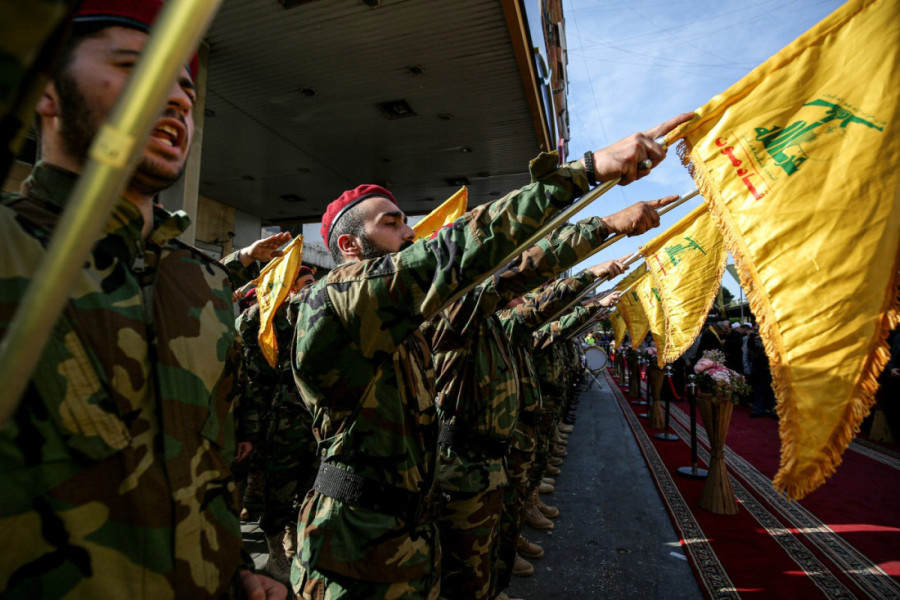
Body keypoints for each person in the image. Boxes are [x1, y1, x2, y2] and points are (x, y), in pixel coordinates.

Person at [287, 112, 693, 599]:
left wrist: (601, 231)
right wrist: (585, 172)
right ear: (350, 246)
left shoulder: (400, 318)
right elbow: (457, 255)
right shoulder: (335, 300)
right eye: (392, 224)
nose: (410, 234)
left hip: (407, 533)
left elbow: (510, 276)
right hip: (352, 552)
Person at [0, 2, 288, 597]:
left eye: (184, 85)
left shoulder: (202, 285)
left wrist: (233, 572)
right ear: (45, 94)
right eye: (135, 68)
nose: (179, 98)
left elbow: (206, 475)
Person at [236, 265, 318, 584]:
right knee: (277, 491)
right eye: (304, 283)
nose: (312, 287)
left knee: (308, 490)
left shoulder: (314, 314)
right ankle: (275, 556)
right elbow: (250, 373)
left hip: (311, 419)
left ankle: (296, 548)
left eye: (313, 282)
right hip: (280, 421)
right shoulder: (268, 321)